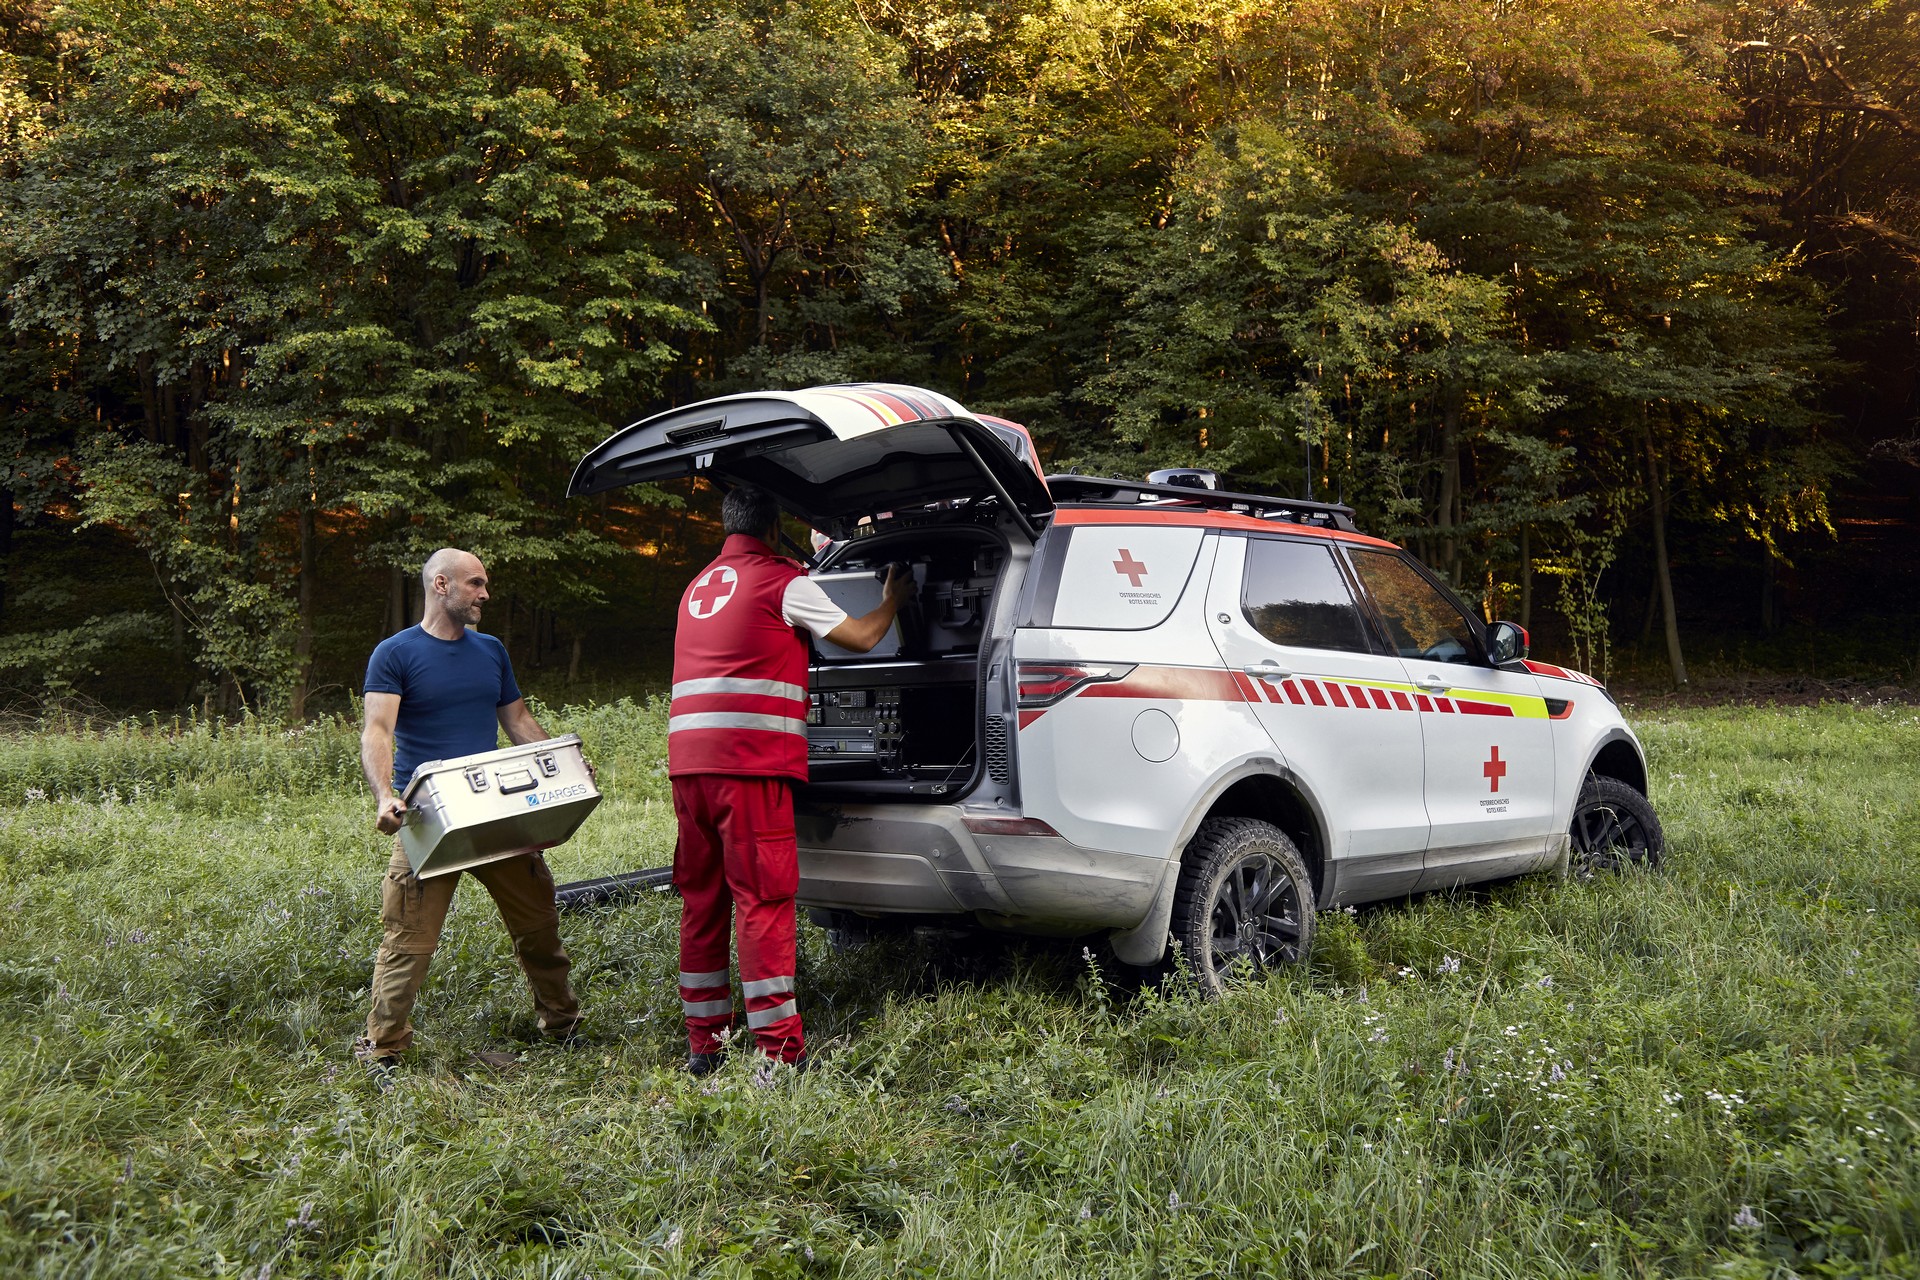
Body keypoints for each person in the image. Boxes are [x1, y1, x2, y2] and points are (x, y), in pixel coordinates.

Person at [670, 486, 910, 1073]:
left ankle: (706, 1042)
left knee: (703, 899)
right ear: (774, 526)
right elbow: (860, 637)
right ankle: (778, 1052)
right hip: (747, 767)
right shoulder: (783, 582)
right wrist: (893, 599)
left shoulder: (698, 586)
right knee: (764, 899)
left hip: (688, 766)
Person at [353, 547, 580, 1087]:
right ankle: (383, 1050)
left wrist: (558, 768)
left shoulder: (491, 651)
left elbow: (519, 720)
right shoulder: (395, 653)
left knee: (539, 924)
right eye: (475, 584)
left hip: (494, 812)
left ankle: (563, 1022)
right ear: (440, 585)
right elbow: (377, 731)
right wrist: (386, 795)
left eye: (486, 585)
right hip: (427, 817)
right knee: (408, 939)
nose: (484, 594)